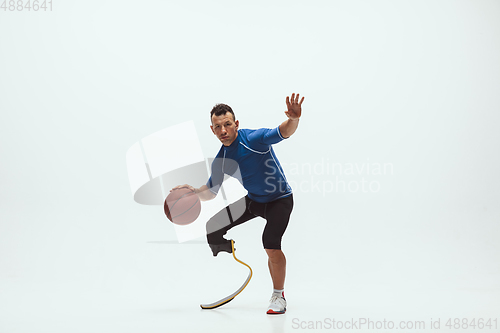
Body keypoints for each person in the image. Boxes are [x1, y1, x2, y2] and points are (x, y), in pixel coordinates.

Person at [172, 93, 304, 314]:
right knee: (212, 227)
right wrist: (194, 192)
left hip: (280, 200)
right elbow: (210, 193)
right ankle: (230, 250)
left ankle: (278, 295)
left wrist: (294, 120)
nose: (223, 130)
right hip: (254, 201)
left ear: (236, 124)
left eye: (227, 124)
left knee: (270, 243)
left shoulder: (254, 139)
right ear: (212, 130)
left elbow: (283, 132)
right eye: (217, 127)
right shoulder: (222, 160)